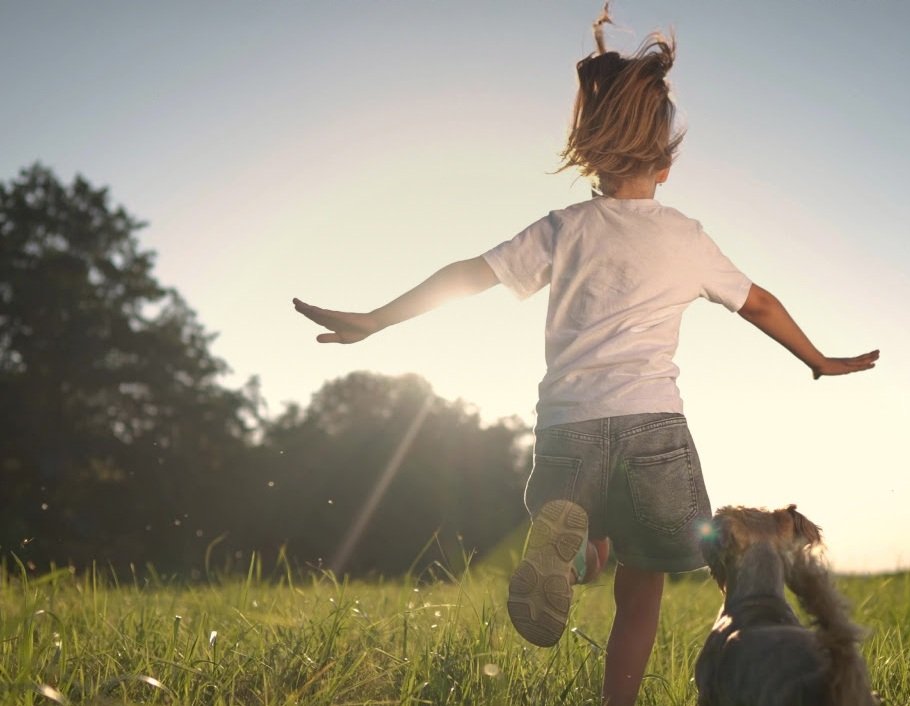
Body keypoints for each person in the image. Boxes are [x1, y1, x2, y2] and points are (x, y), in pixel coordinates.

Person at [293, 9, 878, 705]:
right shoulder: (686, 238)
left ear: (592, 155)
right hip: (654, 429)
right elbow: (760, 303)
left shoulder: (563, 229)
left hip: (570, 428)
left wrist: (377, 318)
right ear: (667, 162)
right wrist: (817, 358)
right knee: (644, 587)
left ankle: (576, 553)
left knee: (584, 520)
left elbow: (470, 273)